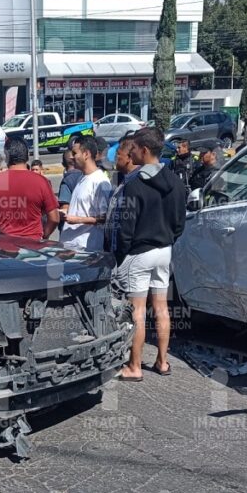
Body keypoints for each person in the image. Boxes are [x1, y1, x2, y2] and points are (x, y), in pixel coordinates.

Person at [115, 127, 188, 381]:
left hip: (140, 253)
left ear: (144, 150)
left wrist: (121, 255)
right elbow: (180, 223)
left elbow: (126, 227)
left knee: (137, 310)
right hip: (164, 252)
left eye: (133, 148)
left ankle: (134, 367)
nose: (130, 152)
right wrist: (169, 239)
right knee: (161, 307)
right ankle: (163, 361)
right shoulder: (176, 182)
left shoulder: (135, 185)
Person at [0, 137, 59, 240]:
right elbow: (54, 218)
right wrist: (44, 235)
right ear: (27, 156)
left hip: (5, 246)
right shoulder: (41, 181)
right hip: (34, 247)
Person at [60, 136, 111, 252]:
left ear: (86, 154)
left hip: (86, 250)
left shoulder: (100, 181)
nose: (71, 157)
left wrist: (78, 219)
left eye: (75, 153)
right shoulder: (82, 177)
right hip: (71, 248)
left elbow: (104, 218)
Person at [103, 133, 140, 253]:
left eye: (118, 154)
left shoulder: (137, 183)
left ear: (129, 157)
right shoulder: (121, 179)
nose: (115, 158)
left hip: (128, 254)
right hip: (114, 250)